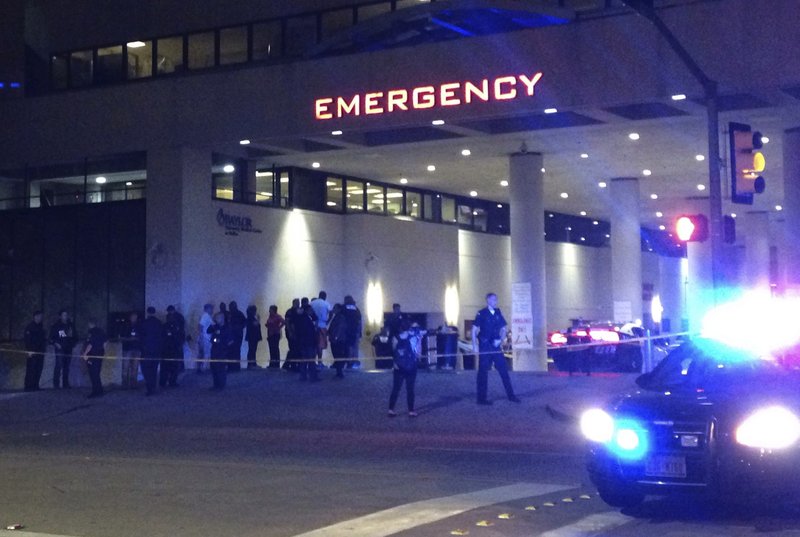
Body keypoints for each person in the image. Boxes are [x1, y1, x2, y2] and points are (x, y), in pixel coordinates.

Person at [472, 292, 520, 405]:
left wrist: (501, 339)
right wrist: (474, 345)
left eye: (496, 299)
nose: (495, 301)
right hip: (485, 346)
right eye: (493, 299)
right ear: (488, 300)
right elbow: (474, 330)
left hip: (495, 346)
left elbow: (504, 329)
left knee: (504, 370)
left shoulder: (498, 313)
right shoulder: (481, 313)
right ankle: (481, 399)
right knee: (483, 372)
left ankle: (511, 395)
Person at [388, 320, 418, 417]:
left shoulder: (395, 338)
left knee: (396, 388)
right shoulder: (413, 338)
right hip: (411, 366)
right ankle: (411, 410)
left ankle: (391, 409)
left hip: (398, 366)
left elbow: (393, 351)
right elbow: (417, 352)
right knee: (410, 389)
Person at [139, 306, 163, 396]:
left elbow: (141, 337)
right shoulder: (159, 323)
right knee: (154, 369)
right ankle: (153, 386)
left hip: (146, 351)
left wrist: (142, 348)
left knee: (146, 370)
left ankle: (149, 388)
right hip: (156, 351)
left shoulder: (144, 323)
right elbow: (161, 337)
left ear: (147, 312)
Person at [208, 312, 235, 390]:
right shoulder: (215, 327)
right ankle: (215, 384)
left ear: (222, 318)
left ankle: (221, 385)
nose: (216, 319)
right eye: (215, 318)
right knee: (214, 368)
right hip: (214, 349)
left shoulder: (227, 328)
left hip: (222, 351)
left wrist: (225, 347)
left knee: (220, 368)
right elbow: (208, 330)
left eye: (217, 318)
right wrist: (213, 324)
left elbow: (230, 341)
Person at [49, 309, 76, 389]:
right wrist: (56, 343)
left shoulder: (71, 325)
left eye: (66, 315)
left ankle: (65, 384)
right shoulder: (56, 326)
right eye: (64, 315)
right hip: (60, 349)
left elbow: (75, 337)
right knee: (59, 365)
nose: (65, 316)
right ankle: (56, 384)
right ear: (60, 316)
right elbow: (50, 338)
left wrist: (72, 344)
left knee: (66, 367)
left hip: (68, 349)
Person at [81, 318, 107, 399]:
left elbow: (90, 344)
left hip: (92, 355)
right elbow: (105, 342)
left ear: (90, 324)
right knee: (97, 373)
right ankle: (99, 390)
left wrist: (85, 354)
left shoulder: (91, 332)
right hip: (99, 354)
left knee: (93, 374)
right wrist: (103, 351)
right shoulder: (101, 331)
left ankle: (95, 391)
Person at [296, 298, 320, 381]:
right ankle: (313, 377)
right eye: (311, 310)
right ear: (307, 310)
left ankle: (303, 376)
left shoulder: (302, 319)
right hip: (309, 343)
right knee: (311, 360)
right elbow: (309, 333)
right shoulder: (307, 320)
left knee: (304, 360)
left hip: (304, 342)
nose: (312, 311)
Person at [160, 305, 184, 387]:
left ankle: (163, 382)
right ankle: (171, 382)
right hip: (174, 349)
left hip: (166, 349)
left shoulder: (164, 327)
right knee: (173, 366)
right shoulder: (176, 326)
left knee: (165, 367)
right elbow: (180, 336)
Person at [23, 311, 46, 392]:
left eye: (41, 316)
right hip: (32, 351)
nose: (40, 318)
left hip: (40, 351)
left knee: (38, 369)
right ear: (35, 317)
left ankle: (35, 385)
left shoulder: (41, 327)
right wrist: (29, 350)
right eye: (39, 316)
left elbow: (43, 339)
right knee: (31, 369)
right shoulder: (30, 327)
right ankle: (28, 386)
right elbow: (27, 340)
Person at [119, 311, 141, 389]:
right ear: (130, 317)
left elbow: (142, 337)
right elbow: (121, 337)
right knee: (125, 367)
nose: (134, 318)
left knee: (135, 367)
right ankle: (124, 384)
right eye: (133, 316)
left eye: (135, 317)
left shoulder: (139, 326)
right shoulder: (125, 326)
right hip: (127, 349)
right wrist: (129, 339)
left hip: (137, 349)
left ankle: (133, 384)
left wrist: (138, 339)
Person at [310, 291, 332, 365]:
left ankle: (312, 361)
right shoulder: (326, 304)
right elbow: (331, 313)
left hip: (312, 326)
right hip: (322, 325)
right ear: (325, 296)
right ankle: (320, 361)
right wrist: (328, 321)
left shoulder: (312, 303)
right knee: (320, 344)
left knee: (313, 344)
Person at [328, 304, 348, 378]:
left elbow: (339, 328)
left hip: (338, 340)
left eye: (334, 308)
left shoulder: (340, 318)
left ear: (339, 309)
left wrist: (336, 337)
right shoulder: (336, 317)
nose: (333, 309)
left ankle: (339, 372)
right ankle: (338, 371)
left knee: (338, 355)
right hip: (335, 339)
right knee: (336, 355)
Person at [342, 295, 362, 369]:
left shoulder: (344, 308)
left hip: (347, 331)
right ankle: (355, 361)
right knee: (355, 347)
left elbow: (342, 319)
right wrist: (360, 332)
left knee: (349, 347)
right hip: (356, 330)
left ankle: (349, 362)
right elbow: (359, 321)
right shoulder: (356, 309)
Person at [228, 301, 246, 372]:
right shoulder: (231, 314)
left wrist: (239, 327)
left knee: (236, 350)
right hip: (232, 335)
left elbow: (245, 322)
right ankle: (232, 367)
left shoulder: (239, 314)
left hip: (237, 335)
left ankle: (236, 367)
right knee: (231, 351)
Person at [265, 305, 284, 370]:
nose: (269, 311)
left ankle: (276, 364)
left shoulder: (278, 316)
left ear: (274, 310)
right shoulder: (270, 316)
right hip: (270, 334)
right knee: (271, 349)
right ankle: (272, 364)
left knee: (275, 348)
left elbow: (283, 322)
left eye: (270, 309)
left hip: (275, 334)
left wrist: (278, 328)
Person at [283, 299, 300, 371]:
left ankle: (289, 364)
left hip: (296, 333)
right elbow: (287, 322)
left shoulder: (297, 311)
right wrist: (290, 332)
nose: (298, 304)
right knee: (293, 348)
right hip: (291, 333)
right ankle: (291, 365)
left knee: (295, 349)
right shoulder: (290, 311)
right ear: (294, 303)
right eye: (297, 303)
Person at [197, 304, 214, 373]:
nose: (212, 310)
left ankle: (203, 368)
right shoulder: (205, 316)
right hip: (205, 338)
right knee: (206, 353)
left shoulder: (208, 316)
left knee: (206, 353)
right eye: (211, 309)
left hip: (206, 338)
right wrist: (201, 338)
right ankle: (203, 368)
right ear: (207, 309)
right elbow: (200, 326)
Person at [245, 305, 262, 369]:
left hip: (252, 336)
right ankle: (251, 364)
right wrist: (258, 319)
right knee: (252, 350)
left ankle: (253, 363)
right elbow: (255, 324)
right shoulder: (250, 318)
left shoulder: (250, 317)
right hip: (253, 336)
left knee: (252, 350)